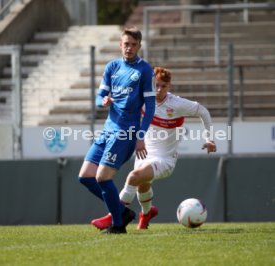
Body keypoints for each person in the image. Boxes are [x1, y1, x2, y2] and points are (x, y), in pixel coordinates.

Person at [91, 66, 217, 230]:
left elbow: (204, 112)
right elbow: (119, 99)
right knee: (142, 185)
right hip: (144, 155)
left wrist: (210, 139)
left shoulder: (177, 104)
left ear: (169, 86)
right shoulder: (142, 99)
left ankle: (114, 216)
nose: (159, 89)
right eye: (156, 85)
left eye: (163, 86)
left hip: (165, 159)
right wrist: (108, 100)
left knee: (134, 177)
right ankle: (146, 214)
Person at [78, 27, 156, 234]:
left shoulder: (145, 70)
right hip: (108, 129)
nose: (129, 48)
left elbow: (150, 107)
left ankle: (119, 225)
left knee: (102, 177)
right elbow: (99, 96)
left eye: (133, 44)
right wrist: (102, 100)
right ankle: (122, 211)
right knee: (85, 176)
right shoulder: (112, 66)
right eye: (126, 44)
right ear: (120, 45)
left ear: (139, 46)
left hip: (126, 132)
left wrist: (140, 136)